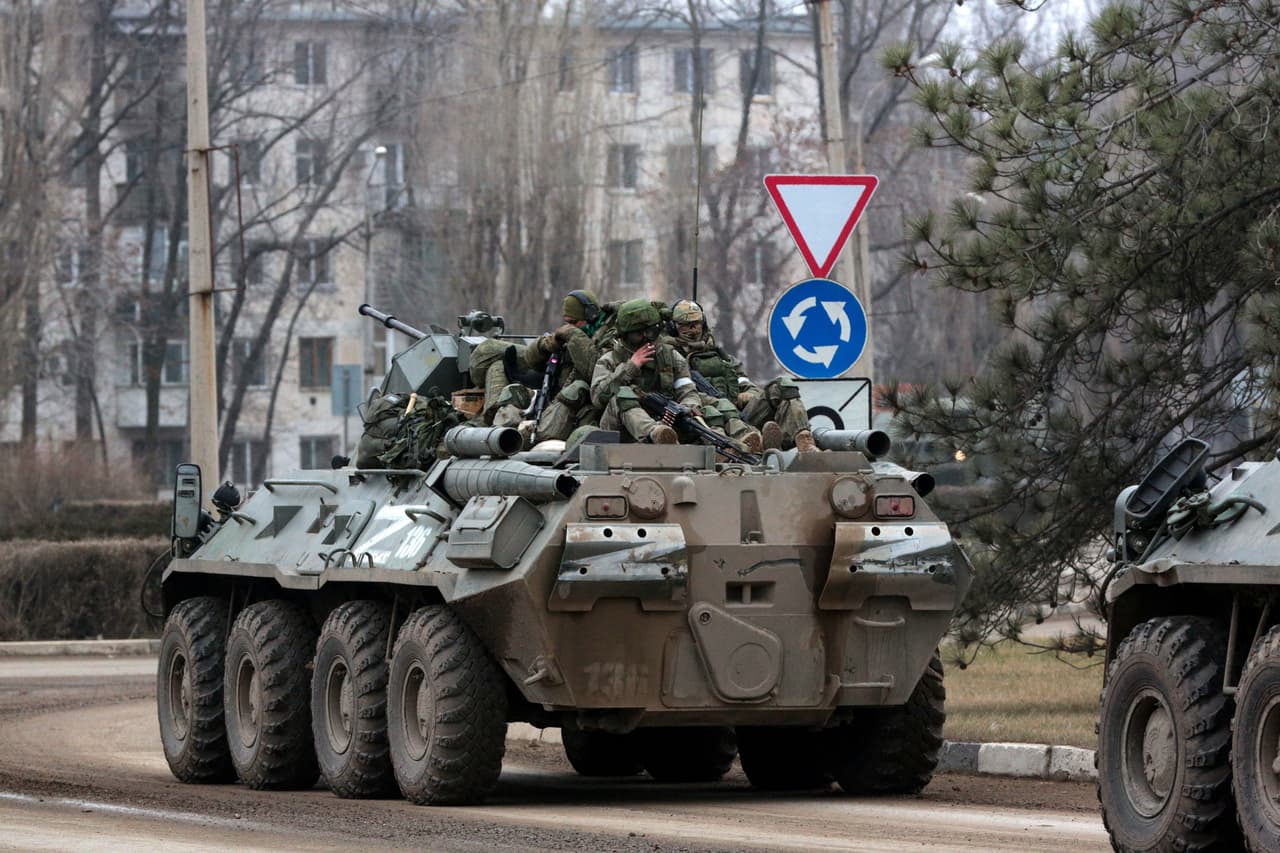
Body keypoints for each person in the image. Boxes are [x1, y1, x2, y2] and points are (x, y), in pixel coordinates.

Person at [668, 298, 816, 452]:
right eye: (684, 326)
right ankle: (760, 442)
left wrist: (747, 395)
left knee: (783, 386)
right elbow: (682, 395)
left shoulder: (723, 358)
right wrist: (718, 402)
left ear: (703, 323)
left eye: (696, 323)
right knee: (722, 409)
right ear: (673, 327)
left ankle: (803, 440)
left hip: (740, 413)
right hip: (707, 419)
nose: (692, 329)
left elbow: (748, 386)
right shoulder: (672, 357)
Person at [591, 299, 702, 444]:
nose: (646, 339)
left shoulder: (670, 356)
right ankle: (655, 433)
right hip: (619, 432)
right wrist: (630, 367)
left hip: (666, 424)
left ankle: (725, 448)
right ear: (626, 336)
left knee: (706, 412)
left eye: (650, 332)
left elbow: (687, 390)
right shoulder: (610, 359)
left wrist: (688, 407)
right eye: (638, 335)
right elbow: (598, 399)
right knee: (621, 397)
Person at [524, 290, 605, 441]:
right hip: (556, 404)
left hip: (582, 408)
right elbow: (530, 359)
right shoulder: (566, 335)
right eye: (567, 322)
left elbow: (595, 371)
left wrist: (575, 336)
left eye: (574, 323)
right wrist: (545, 345)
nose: (569, 327)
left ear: (591, 316)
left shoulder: (603, 337)